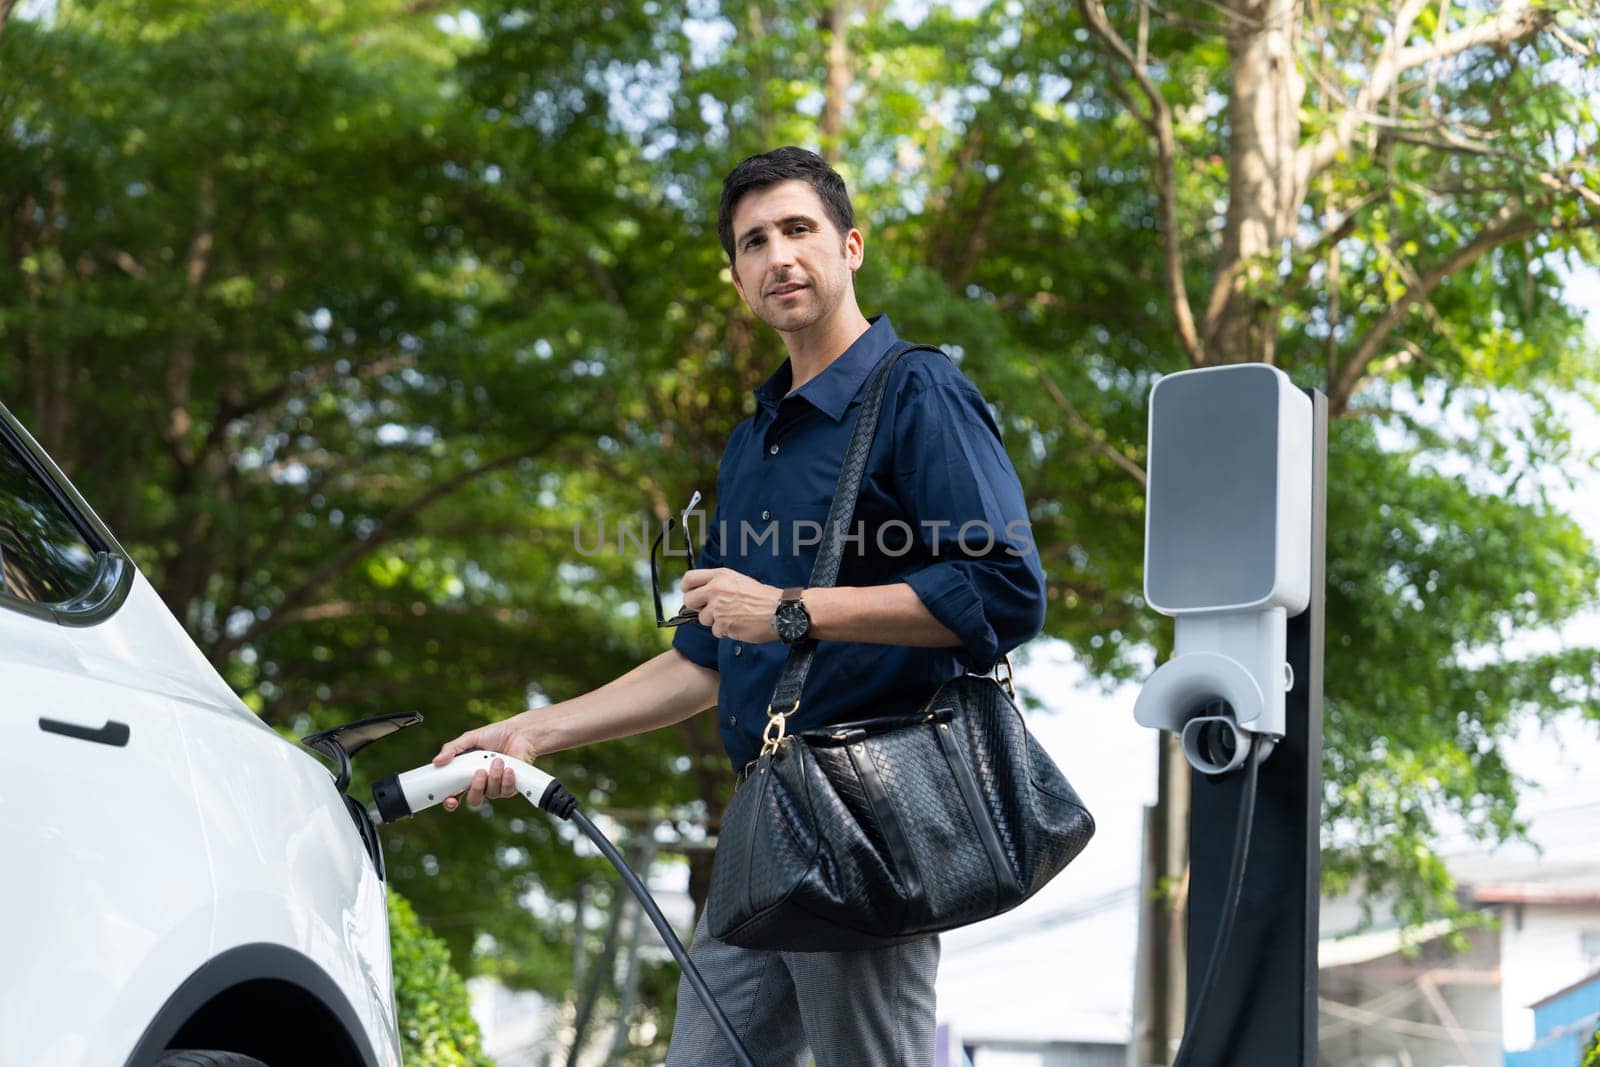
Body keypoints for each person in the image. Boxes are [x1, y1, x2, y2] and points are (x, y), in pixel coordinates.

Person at [431, 146, 1046, 1065]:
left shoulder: (918, 389)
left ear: (850, 246)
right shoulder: (753, 441)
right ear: (737, 278)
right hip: (763, 826)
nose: (778, 255)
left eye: (798, 229)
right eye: (754, 241)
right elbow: (705, 654)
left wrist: (792, 609)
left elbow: (1004, 588)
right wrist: (535, 731)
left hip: (874, 822)